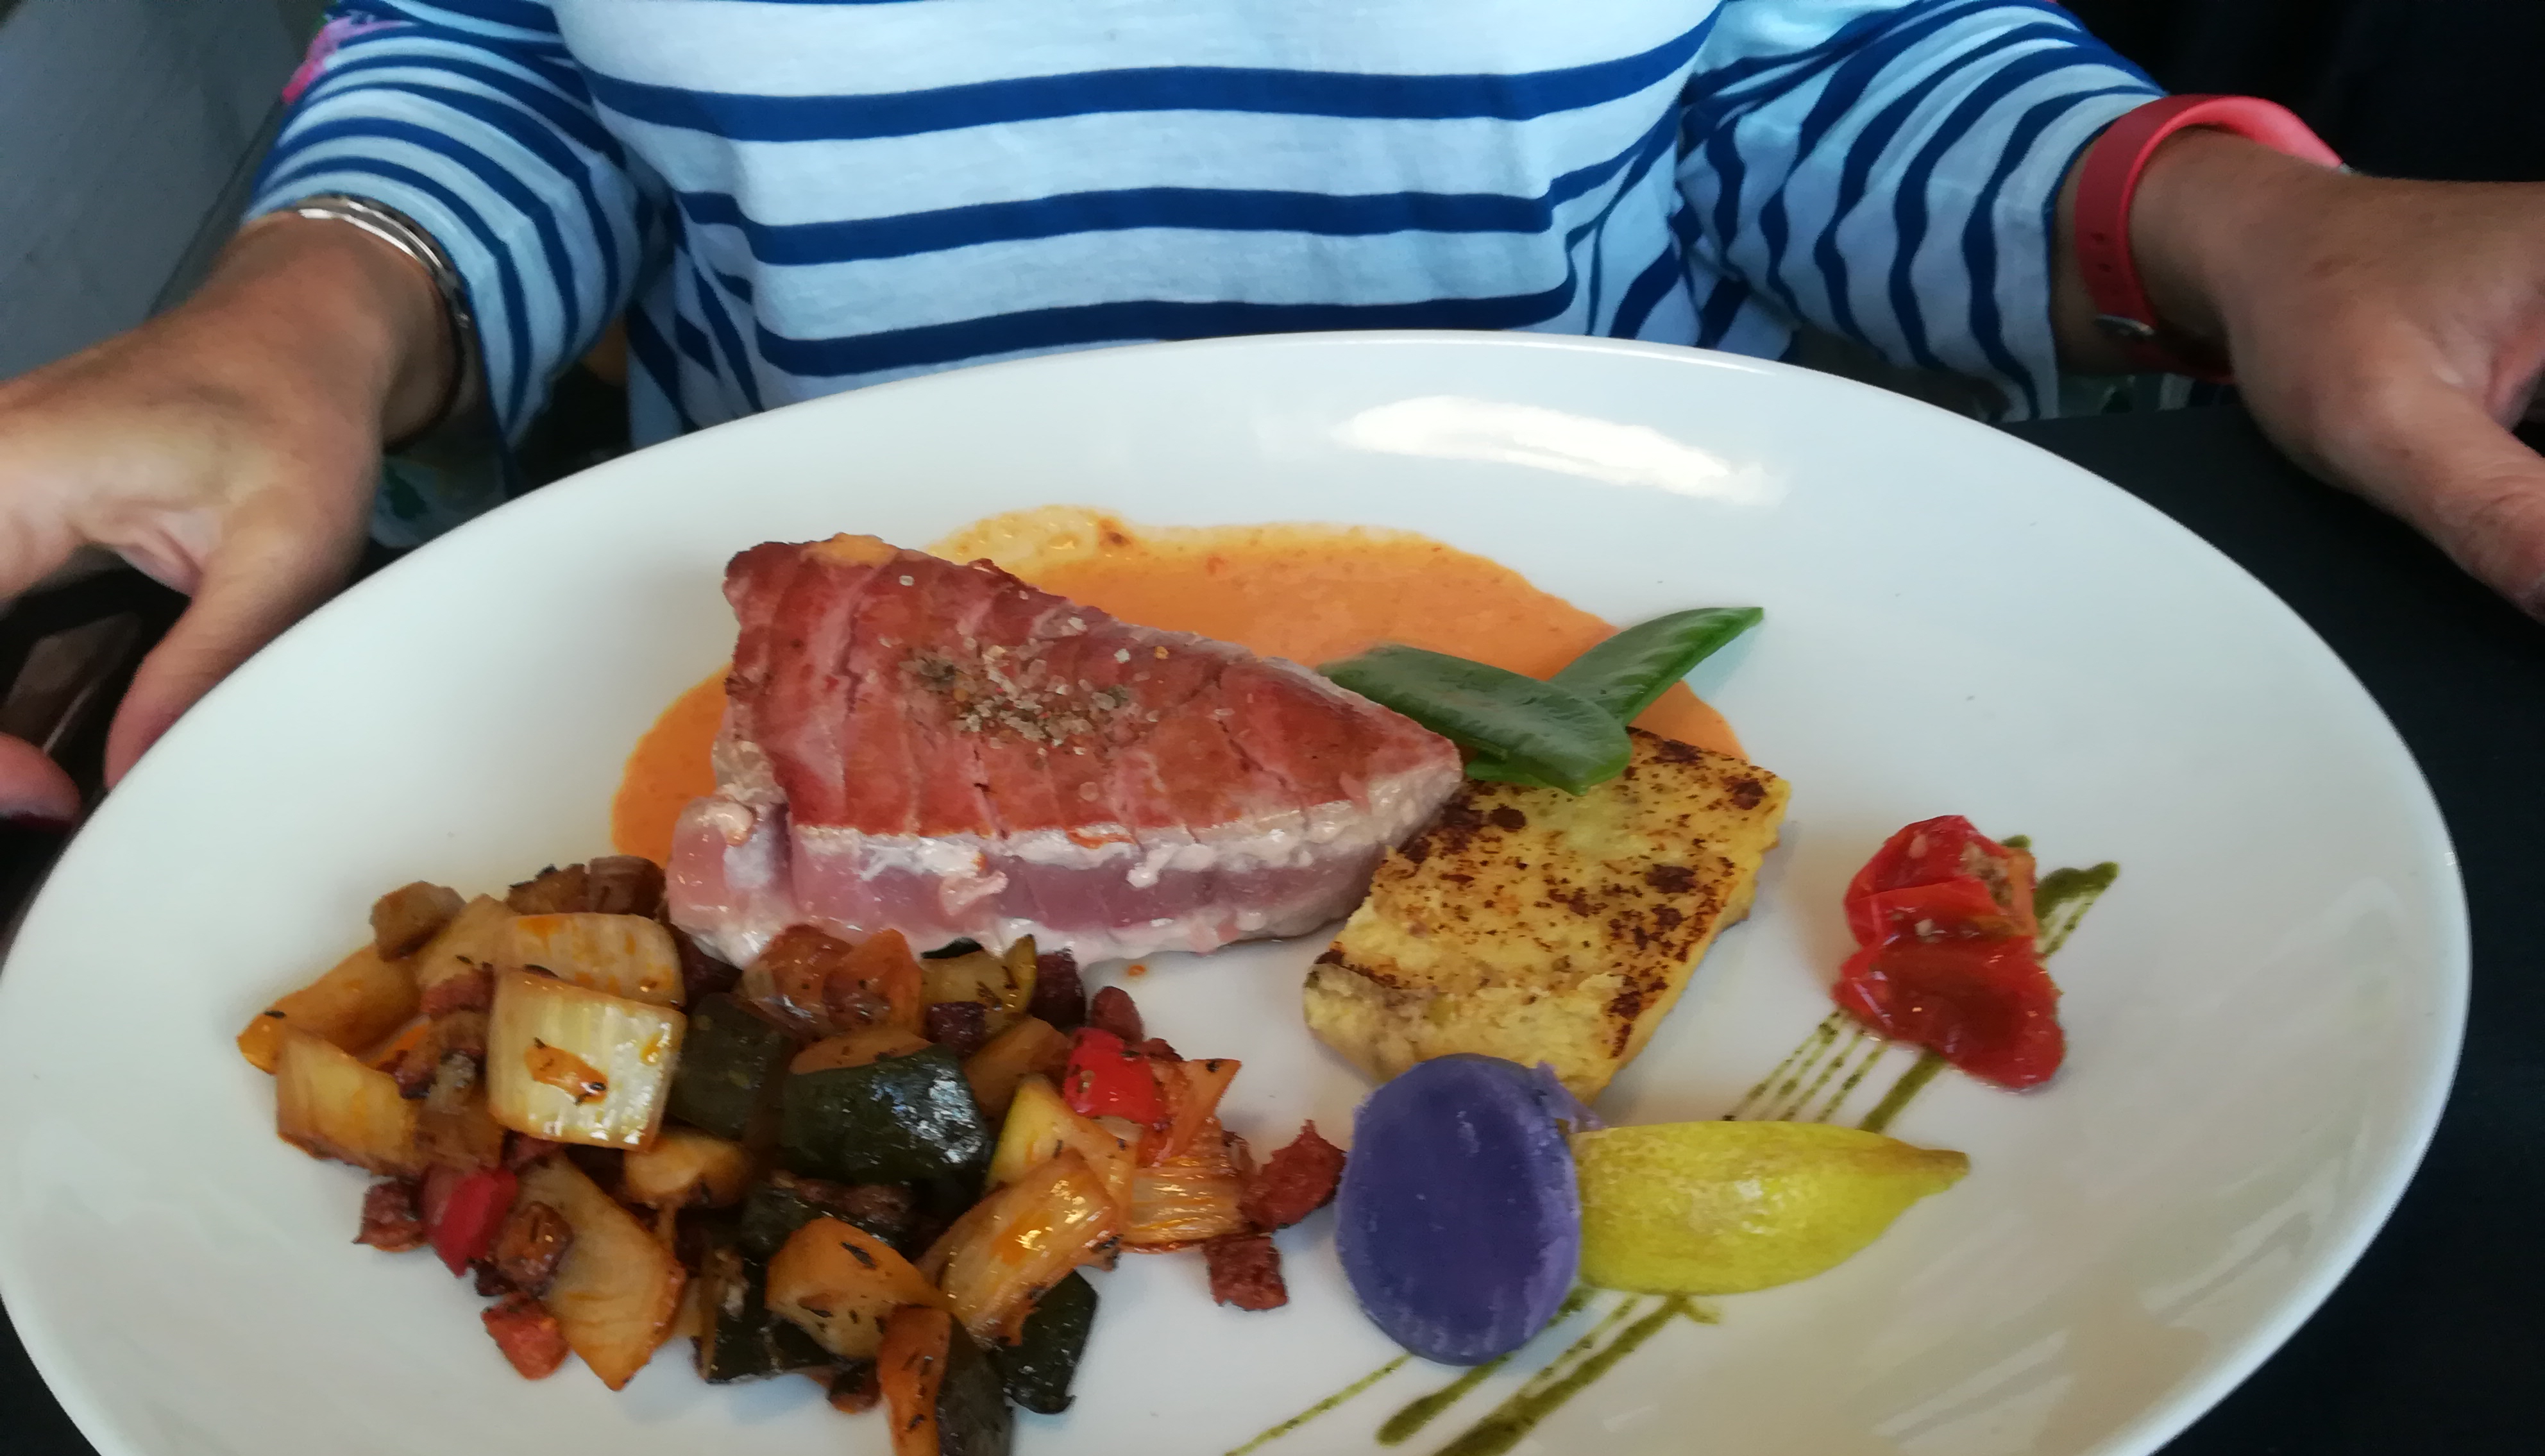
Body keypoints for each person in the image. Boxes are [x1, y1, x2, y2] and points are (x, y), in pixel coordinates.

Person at [3, 0, 2542, 827]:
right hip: (812, 748)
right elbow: (526, 70)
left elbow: (1816, 85)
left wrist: (2234, 227)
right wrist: (314, 301)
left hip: (1600, 692)